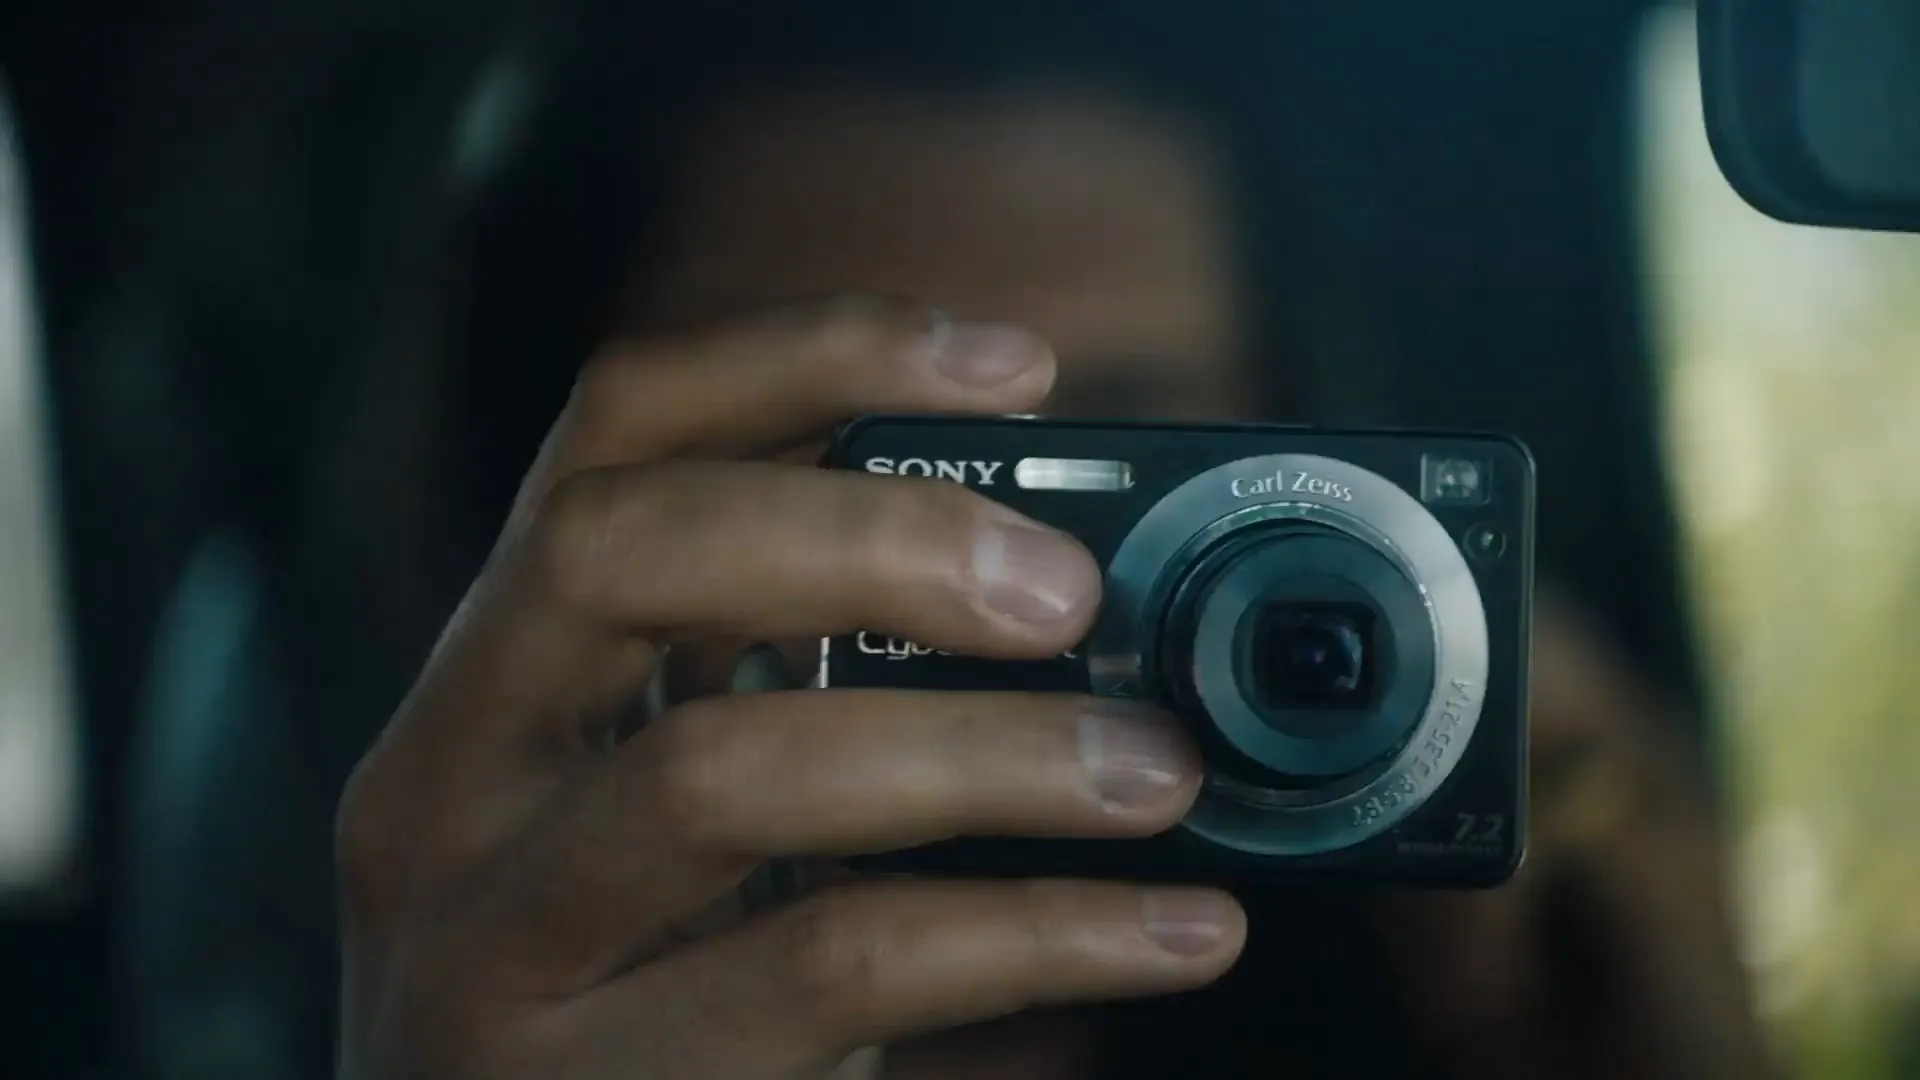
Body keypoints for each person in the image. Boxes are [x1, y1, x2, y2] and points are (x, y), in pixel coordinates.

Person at [137, 7, 1781, 1079]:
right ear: (543, 527)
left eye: (1141, 473)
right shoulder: (360, 1003)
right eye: (866, 469)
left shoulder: (1457, 997)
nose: (991, 586)